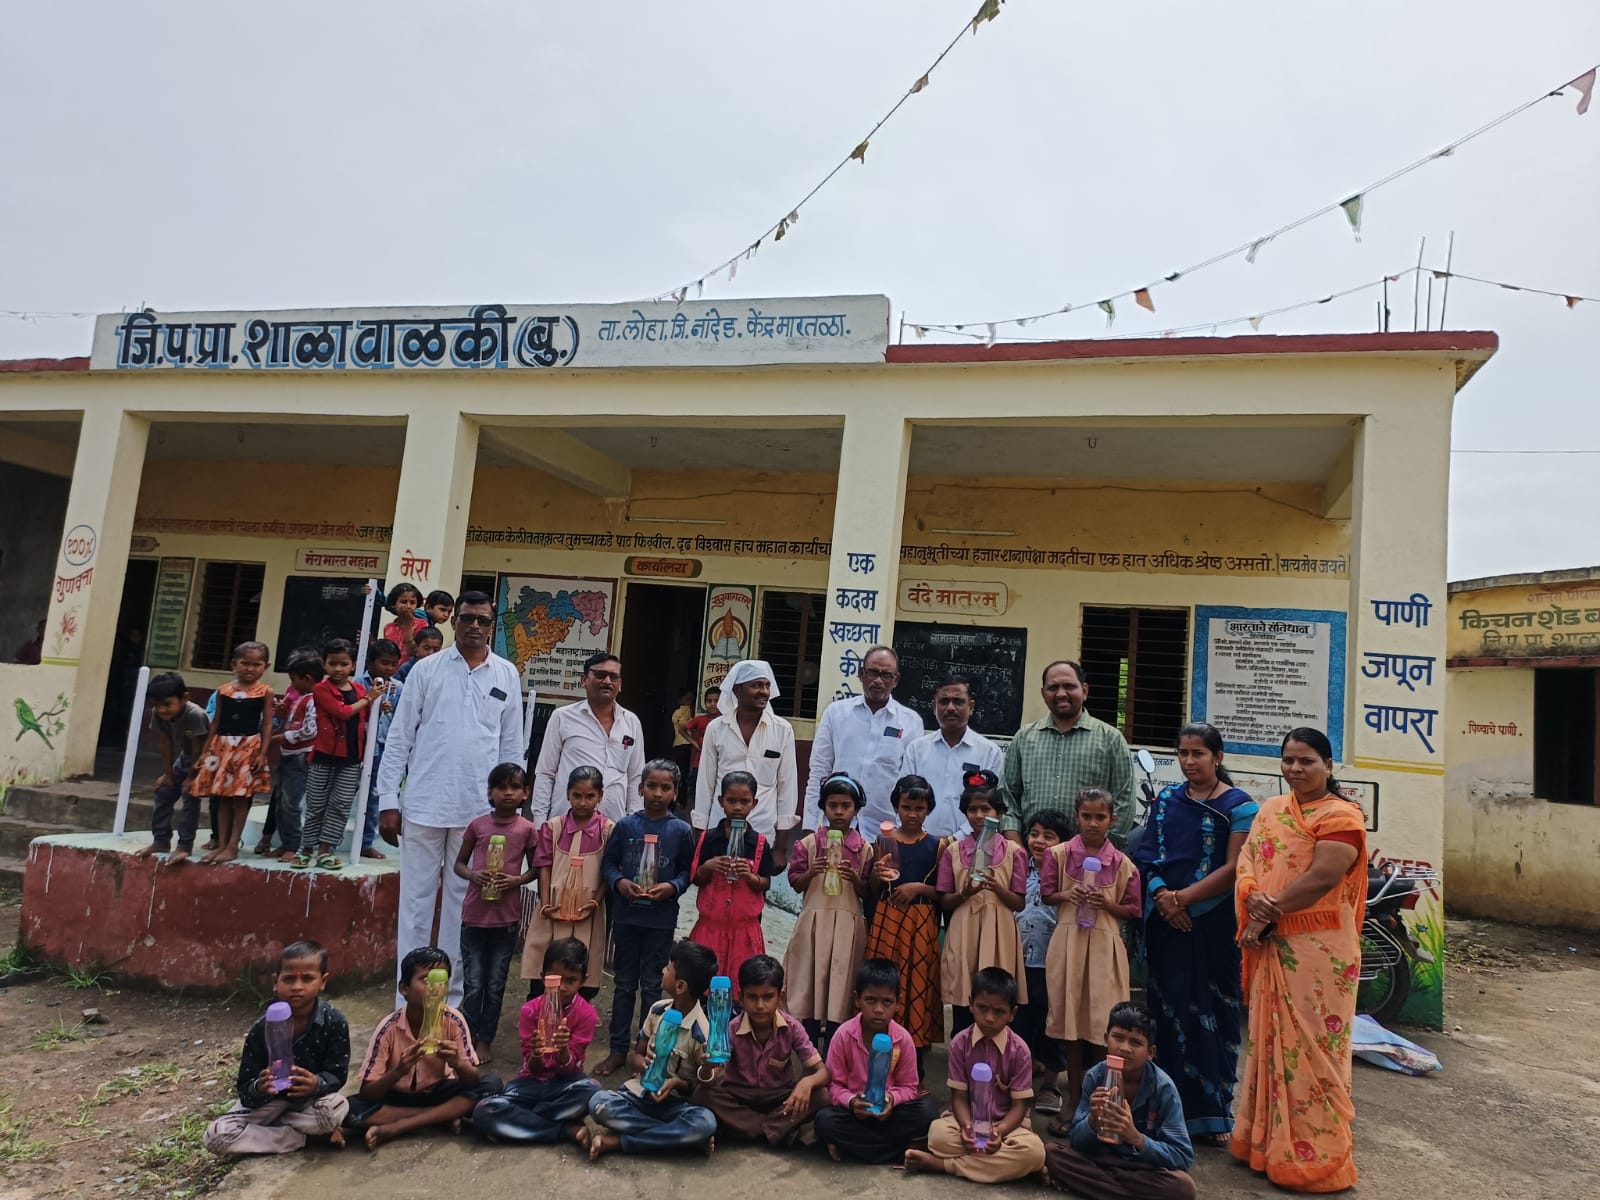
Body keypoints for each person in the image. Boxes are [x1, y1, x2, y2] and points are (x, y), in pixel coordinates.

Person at [1231, 727, 1366, 1193]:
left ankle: (1316, 1159)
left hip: (1318, 953)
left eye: (1306, 761)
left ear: (1328, 765)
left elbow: (1323, 877)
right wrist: (1252, 894)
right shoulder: (1272, 809)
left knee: (1314, 1052)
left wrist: (1267, 910)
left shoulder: (1341, 815)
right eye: (1288, 760)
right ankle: (1265, 1145)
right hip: (1272, 942)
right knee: (1269, 1044)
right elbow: (1248, 860)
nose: (1295, 769)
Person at [376, 590, 525, 1008]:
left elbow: (511, 746)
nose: (474, 625)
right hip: (423, 803)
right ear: (453, 620)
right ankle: (408, 1003)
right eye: (467, 618)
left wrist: (508, 806)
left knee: (462, 909)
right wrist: (388, 799)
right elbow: (400, 738)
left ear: (492, 626)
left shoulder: (506, 675)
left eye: (483, 620)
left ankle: (449, 1004)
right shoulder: (426, 670)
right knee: (415, 905)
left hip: (477, 812)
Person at [1131, 722, 1257, 1143]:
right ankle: (1160, 1109)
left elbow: (1235, 867)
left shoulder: (1239, 806)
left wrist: (1182, 900)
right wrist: (1162, 896)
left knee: (1214, 1013)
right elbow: (1147, 854)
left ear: (1217, 757)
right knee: (1166, 1015)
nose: (1189, 761)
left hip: (1213, 926)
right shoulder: (1168, 799)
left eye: (1198, 753)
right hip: (1166, 925)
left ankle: (1211, 1114)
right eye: (1183, 753)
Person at [1042, 788, 1141, 1125]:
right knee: (1071, 1026)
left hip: (1104, 950)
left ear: (1113, 819)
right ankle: (1073, 1099)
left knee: (1103, 1026)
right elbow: (1047, 893)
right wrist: (1068, 894)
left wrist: (1107, 904)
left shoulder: (1124, 865)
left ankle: (1098, 1102)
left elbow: (1132, 909)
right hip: (1069, 944)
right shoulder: (1058, 854)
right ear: (1077, 816)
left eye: (1100, 817)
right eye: (1086, 816)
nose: (1093, 823)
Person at [204, 940, 351, 1156]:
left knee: (337, 1107)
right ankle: (306, 1137)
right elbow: (245, 1089)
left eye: (307, 978)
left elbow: (337, 1075)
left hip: (308, 1104)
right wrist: (260, 1087)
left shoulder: (334, 1022)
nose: (297, 986)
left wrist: (316, 1083)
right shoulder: (261, 1029)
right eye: (289, 979)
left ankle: (273, 1133)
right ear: (276, 981)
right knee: (216, 1136)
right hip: (269, 1104)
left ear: (323, 982)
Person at [596, 760, 695, 1077]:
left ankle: (646, 1051)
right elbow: (608, 863)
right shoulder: (626, 826)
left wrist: (672, 887)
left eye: (666, 788)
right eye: (651, 786)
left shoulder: (680, 831)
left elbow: (687, 872)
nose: (657, 793)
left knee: (653, 986)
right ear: (640, 789)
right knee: (624, 984)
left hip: (660, 920)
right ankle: (617, 1051)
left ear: (675, 793)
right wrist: (620, 882)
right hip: (627, 917)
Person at [348, 946, 500, 1149]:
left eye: (441, 981)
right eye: (426, 980)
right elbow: (367, 1092)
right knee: (348, 1109)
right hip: (398, 1096)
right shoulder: (388, 1028)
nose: (435, 988)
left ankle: (398, 1127)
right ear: (404, 988)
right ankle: (442, 1116)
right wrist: (398, 1071)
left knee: (492, 1085)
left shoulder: (453, 1020)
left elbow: (473, 1080)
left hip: (438, 1091)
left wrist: (457, 1063)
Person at [904, 967, 1046, 1182]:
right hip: (966, 1119)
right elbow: (959, 1098)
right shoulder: (960, 1043)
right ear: (971, 1004)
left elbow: (1019, 1107)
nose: (989, 1018)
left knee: (1034, 1151)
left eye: (999, 1012)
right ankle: (1005, 1167)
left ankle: (944, 1165)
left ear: (1012, 1014)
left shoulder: (1020, 1051)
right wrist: (967, 1127)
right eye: (982, 1008)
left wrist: (999, 1132)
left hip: (1007, 1126)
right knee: (938, 1136)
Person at [1044, 1003, 1196, 1200]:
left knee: (1183, 1187)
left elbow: (1182, 1156)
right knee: (1051, 1152)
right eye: (1118, 1037)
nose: (1124, 1048)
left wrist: (1136, 1138)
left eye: (1136, 1042)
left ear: (1151, 1052)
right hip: (1100, 1159)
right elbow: (1076, 1141)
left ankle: (1096, 1188)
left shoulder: (1163, 1088)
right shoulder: (1095, 1077)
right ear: (1106, 1039)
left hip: (1142, 1166)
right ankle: (1122, 1191)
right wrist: (1092, 1121)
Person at [587, 940, 720, 1160]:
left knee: (704, 1123)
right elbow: (636, 1056)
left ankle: (621, 1141)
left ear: (680, 986)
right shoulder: (657, 1010)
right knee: (598, 1103)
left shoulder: (702, 1032)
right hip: (640, 1095)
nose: (662, 971)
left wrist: (676, 1083)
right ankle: (676, 1138)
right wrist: (643, 1063)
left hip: (675, 1106)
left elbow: (703, 1086)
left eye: (668, 968)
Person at [470, 938, 601, 1146]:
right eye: (555, 979)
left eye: (571, 980)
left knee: (593, 1091)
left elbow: (571, 1069)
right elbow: (533, 1068)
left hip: (564, 1085)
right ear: (542, 977)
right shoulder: (530, 1010)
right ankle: (564, 1129)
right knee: (484, 1110)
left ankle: (523, 1119)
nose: (562, 987)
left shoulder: (586, 1014)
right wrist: (537, 1053)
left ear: (582, 981)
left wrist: (563, 1051)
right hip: (530, 1084)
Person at [692, 954, 829, 1147]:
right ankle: (774, 1130)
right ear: (741, 997)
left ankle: (744, 1129)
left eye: (768, 997)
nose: (760, 1006)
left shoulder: (792, 1028)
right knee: (702, 1094)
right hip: (739, 1095)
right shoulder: (730, 1030)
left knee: (821, 1095)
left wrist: (807, 1082)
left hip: (778, 1098)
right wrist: (707, 1068)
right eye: (752, 997)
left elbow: (823, 1072)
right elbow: (712, 1077)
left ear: (780, 997)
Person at [812, 958, 938, 1165]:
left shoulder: (903, 1039)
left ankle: (854, 1148)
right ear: (857, 999)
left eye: (887, 1002)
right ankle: (900, 1150)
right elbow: (834, 1086)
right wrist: (852, 1102)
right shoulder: (844, 1035)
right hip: (855, 1114)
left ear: (897, 1003)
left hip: (890, 1114)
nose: (878, 1009)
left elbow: (909, 1087)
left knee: (927, 1110)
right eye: (870, 1000)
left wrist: (891, 1099)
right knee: (824, 1120)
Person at [453, 762, 538, 1063]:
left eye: (515, 787)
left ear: (525, 793)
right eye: (501, 787)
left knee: (495, 984)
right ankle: (467, 1037)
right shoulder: (477, 826)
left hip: (506, 919)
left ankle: (485, 1039)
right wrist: (473, 875)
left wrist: (516, 881)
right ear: (490, 793)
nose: (508, 793)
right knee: (473, 984)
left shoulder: (527, 829)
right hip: (474, 917)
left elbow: (536, 869)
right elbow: (459, 864)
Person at [999, 660, 1136, 845]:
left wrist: (1097, 853)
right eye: (1053, 687)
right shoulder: (1023, 738)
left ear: (1084, 690)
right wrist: (1017, 849)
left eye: (1069, 686)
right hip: (1030, 855)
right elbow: (1008, 799)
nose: (1061, 694)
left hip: (1089, 857)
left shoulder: (1111, 740)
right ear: (1043, 693)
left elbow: (1124, 803)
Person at [862, 775, 945, 1075]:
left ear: (928, 809)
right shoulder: (882, 842)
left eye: (919, 808)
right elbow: (870, 891)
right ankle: (875, 1062)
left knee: (917, 988)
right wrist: (876, 875)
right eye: (907, 807)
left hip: (920, 923)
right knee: (884, 983)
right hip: (887, 918)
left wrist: (918, 889)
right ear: (896, 807)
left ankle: (914, 1068)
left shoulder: (938, 845)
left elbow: (944, 892)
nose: (912, 814)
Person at [784, 773, 874, 1047]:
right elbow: (796, 883)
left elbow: (868, 892)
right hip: (814, 922)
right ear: (823, 807)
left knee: (840, 986)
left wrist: (855, 879)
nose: (839, 811)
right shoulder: (809, 844)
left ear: (856, 809)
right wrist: (812, 871)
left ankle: (835, 1050)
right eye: (833, 805)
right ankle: (809, 1048)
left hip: (847, 927)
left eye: (846, 806)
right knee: (810, 982)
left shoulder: (864, 849)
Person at [939, 771, 1028, 1034]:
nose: (979, 816)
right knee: (963, 993)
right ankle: (961, 1048)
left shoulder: (1014, 852)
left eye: (986, 809)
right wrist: (964, 893)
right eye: (972, 810)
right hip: (964, 927)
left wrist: (997, 887)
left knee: (997, 992)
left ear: (1000, 813)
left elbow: (1019, 903)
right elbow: (944, 900)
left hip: (999, 929)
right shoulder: (953, 850)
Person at [803, 646, 926, 835]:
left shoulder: (911, 722)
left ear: (896, 680)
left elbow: (911, 782)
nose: (878, 680)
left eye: (886, 675)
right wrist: (810, 826)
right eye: (873, 672)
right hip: (836, 828)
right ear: (862, 674)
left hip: (884, 831)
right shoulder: (836, 713)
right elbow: (820, 771)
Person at [521, 765, 614, 1002]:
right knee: (546, 960)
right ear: (568, 794)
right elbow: (544, 866)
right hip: (554, 906)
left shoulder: (608, 830)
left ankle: (576, 1015)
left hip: (588, 909)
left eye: (590, 796)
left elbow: (609, 871)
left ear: (600, 796)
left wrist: (596, 902)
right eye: (577, 795)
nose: (583, 802)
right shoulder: (553, 827)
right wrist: (545, 903)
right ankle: (539, 1012)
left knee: (585, 965)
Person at [691, 660, 798, 867]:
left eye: (767, 685)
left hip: (762, 831)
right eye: (756, 685)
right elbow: (705, 783)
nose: (764, 691)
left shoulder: (782, 730)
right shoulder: (716, 728)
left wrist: (781, 848)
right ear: (737, 689)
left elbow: (787, 788)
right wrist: (700, 835)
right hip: (720, 828)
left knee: (755, 886)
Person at [293, 638, 381, 872]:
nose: (338, 669)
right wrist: (369, 699)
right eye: (333, 664)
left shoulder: (359, 690)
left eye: (344, 664)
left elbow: (364, 714)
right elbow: (341, 712)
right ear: (324, 664)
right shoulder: (321, 689)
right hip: (323, 756)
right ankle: (306, 849)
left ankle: (326, 850)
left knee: (341, 805)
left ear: (353, 665)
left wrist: (377, 705)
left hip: (351, 758)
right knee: (316, 805)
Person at [530, 652, 645, 825]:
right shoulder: (562, 717)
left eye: (613, 677)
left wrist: (634, 823)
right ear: (584, 680)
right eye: (600, 674)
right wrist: (540, 823)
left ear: (620, 685)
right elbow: (546, 773)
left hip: (614, 824)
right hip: (566, 823)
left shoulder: (631, 722)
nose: (607, 681)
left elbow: (636, 777)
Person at [688, 770, 775, 993]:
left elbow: (766, 882)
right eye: (731, 800)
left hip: (744, 931)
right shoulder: (709, 838)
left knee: (742, 985)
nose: (737, 807)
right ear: (721, 801)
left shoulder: (759, 843)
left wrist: (751, 877)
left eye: (744, 802)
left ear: (754, 803)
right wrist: (708, 867)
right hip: (711, 927)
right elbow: (696, 878)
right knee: (703, 984)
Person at [188, 641, 275, 864]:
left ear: (265, 666)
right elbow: (216, 721)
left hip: (248, 747)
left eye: (257, 664)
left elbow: (267, 724)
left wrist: (262, 753)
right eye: (245, 663)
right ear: (234, 664)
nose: (250, 669)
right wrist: (205, 752)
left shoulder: (265, 692)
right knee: (223, 797)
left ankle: (233, 845)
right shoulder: (223, 691)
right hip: (222, 747)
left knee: (242, 797)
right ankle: (222, 843)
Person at [1015, 808, 1071, 1116]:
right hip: (1021, 960)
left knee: (1054, 1024)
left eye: (1049, 836)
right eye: (1034, 834)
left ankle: (1051, 1085)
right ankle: (1019, 1084)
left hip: (1053, 962)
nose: (1039, 841)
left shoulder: (1066, 874)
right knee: (1021, 1022)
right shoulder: (1018, 868)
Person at [902, 677, 1004, 839]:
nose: (950, 708)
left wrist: (955, 840)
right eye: (944, 702)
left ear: (971, 706)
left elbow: (991, 807)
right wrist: (922, 839)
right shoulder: (916, 749)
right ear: (934, 706)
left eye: (958, 701)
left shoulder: (990, 752)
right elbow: (904, 798)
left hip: (970, 845)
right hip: (919, 841)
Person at [134, 672, 210, 863]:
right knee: (164, 792)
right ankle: (161, 840)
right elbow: (165, 742)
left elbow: (199, 747)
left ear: (184, 698)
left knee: (189, 796)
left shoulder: (195, 715)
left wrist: (191, 777)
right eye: (156, 705)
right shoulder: (158, 714)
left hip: (207, 759)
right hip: (186, 756)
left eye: (167, 704)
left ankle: (185, 845)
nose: (162, 710)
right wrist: (168, 775)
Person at [256, 655, 321, 861]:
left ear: (307, 678)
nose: (291, 684)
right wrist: (284, 715)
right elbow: (294, 722)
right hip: (288, 753)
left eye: (294, 679)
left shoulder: (313, 700)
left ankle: (293, 845)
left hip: (300, 755)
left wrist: (282, 737)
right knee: (280, 801)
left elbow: (310, 730)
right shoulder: (300, 697)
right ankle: (285, 844)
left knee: (291, 803)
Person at [354, 638, 403, 861]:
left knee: (374, 796)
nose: (389, 668)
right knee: (347, 794)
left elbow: (401, 718)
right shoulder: (358, 684)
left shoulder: (398, 688)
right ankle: (329, 841)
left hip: (383, 747)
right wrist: (372, 705)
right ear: (370, 663)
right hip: (359, 745)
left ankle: (365, 843)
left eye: (393, 664)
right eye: (384, 663)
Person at [683, 685, 718, 798]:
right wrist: (694, 743)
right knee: (695, 793)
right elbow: (682, 729)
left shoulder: (725, 721)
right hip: (699, 762)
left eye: (716, 701)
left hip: (718, 763)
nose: (712, 704)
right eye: (709, 701)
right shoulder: (700, 720)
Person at [381, 583, 426, 665]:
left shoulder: (422, 624)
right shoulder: (388, 628)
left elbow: (413, 653)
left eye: (412, 603)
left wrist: (408, 625)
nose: (408, 606)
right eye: (403, 602)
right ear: (394, 604)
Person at [670, 687, 695, 793]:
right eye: (687, 699)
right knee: (679, 773)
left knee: (689, 772)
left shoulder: (693, 712)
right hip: (680, 745)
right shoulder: (678, 713)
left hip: (691, 745)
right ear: (680, 700)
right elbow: (683, 724)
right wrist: (688, 711)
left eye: (691, 700)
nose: (689, 702)